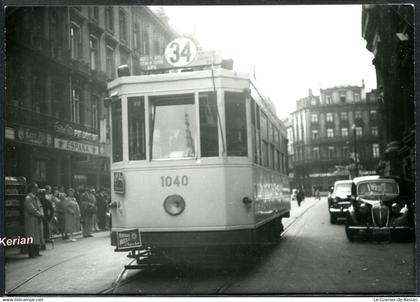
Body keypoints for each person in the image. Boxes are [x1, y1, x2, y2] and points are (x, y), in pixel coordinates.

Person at [24, 183, 44, 257]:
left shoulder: (36, 198)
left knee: (37, 235)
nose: (37, 189)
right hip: (31, 220)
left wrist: (42, 214)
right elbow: (31, 209)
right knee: (31, 235)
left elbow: (40, 207)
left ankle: (36, 251)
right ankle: (31, 253)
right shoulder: (28, 198)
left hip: (37, 219)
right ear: (32, 188)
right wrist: (40, 214)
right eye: (36, 187)